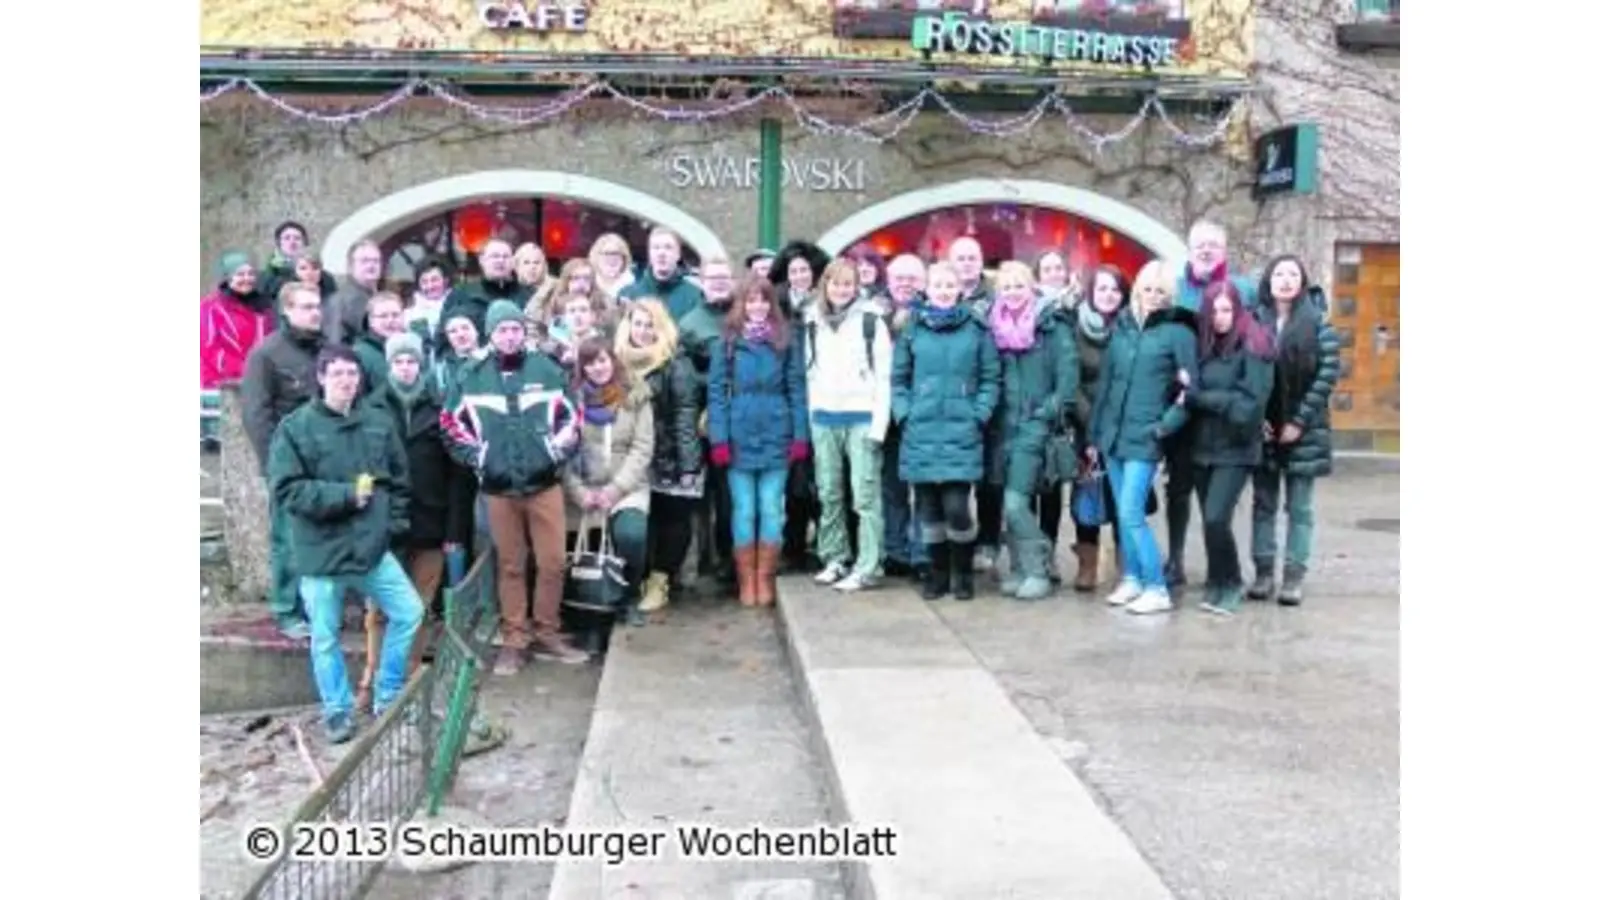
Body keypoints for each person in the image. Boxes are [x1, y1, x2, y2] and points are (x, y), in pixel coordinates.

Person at [267, 344, 422, 743]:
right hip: (321, 550)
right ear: (321, 378)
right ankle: (337, 709)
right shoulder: (295, 428)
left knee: (409, 611)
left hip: (370, 546)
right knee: (325, 635)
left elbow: (400, 480)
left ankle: (387, 696)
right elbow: (288, 491)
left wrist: (393, 524)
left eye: (352, 373)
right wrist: (345, 496)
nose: (346, 381)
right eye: (336, 373)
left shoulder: (377, 421)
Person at [441, 299, 589, 673]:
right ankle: (514, 637)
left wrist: (555, 452)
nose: (510, 336)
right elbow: (450, 424)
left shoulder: (547, 369)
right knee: (510, 565)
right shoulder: (471, 375)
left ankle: (548, 631)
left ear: (524, 332)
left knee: (553, 562)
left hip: (544, 483)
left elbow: (573, 418)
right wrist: (480, 458)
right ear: (491, 334)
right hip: (497, 488)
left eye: (515, 329)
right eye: (503, 330)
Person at [1089, 260, 1198, 615]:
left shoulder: (1178, 332)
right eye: (1147, 289)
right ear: (1137, 290)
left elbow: (1190, 389)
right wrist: (1095, 436)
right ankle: (1132, 579)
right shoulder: (1122, 328)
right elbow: (1106, 384)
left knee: (1131, 511)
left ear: (1170, 297)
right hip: (1113, 436)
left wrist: (1164, 426)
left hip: (1146, 436)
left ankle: (1156, 586)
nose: (1152, 297)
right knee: (1122, 514)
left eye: (1160, 292)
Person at [891, 261, 1001, 601]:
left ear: (958, 290)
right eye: (937, 285)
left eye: (948, 286)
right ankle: (938, 574)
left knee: (956, 507)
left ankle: (962, 572)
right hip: (921, 430)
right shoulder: (913, 328)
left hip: (961, 431)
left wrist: (978, 413)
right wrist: (904, 413)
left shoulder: (977, 329)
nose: (943, 291)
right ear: (928, 289)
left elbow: (990, 378)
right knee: (929, 510)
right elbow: (898, 379)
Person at [357, 333, 452, 708]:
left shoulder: (439, 406)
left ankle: (409, 679)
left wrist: (454, 527)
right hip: (385, 523)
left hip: (431, 520)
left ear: (422, 364)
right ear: (389, 365)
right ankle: (375, 675)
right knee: (380, 607)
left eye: (412, 361)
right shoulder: (371, 408)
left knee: (419, 606)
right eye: (399, 361)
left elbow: (454, 472)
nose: (406, 367)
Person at [1164, 220, 1260, 587]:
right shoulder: (1175, 290)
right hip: (1184, 401)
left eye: (1214, 246)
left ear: (1225, 251)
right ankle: (1174, 560)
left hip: (1220, 411)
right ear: (1189, 249)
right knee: (1178, 488)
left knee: (1214, 501)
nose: (1206, 251)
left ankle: (1217, 568)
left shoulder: (1243, 290)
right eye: (1199, 245)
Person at [707, 277, 809, 607]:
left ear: (771, 304)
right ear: (741, 304)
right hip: (739, 435)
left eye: (763, 300)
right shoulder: (727, 341)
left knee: (769, 509)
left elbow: (796, 389)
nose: (757, 307)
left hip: (776, 433)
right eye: (751, 300)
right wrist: (719, 438)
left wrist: (799, 436)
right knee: (744, 510)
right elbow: (716, 393)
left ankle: (765, 577)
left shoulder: (785, 339)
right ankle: (746, 577)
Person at [1249, 255, 1339, 606]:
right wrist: (1258, 418)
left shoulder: (1318, 323)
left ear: (1302, 282)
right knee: (1263, 505)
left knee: (1299, 508)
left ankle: (1293, 577)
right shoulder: (1255, 321)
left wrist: (1298, 422)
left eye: (1292, 274)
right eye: (1279, 274)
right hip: (1265, 430)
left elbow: (1328, 374)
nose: (1285, 280)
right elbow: (1246, 371)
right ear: (1269, 281)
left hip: (1306, 429)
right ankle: (1263, 573)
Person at [986, 262, 1078, 601]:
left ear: (1032, 288)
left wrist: (1045, 415)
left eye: (1018, 286)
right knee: (1008, 502)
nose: (1012, 292)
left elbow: (1067, 380)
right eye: (1006, 287)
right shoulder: (992, 328)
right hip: (1002, 430)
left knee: (1014, 503)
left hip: (1033, 427)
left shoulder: (1052, 327)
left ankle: (1039, 567)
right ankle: (1020, 569)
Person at [241, 282, 327, 639]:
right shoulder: (266, 355)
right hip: (288, 464)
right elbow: (257, 416)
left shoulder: (324, 350)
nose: (315, 312)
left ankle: (315, 608)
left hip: (323, 461)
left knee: (319, 538)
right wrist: (276, 465)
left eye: (317, 305)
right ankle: (287, 610)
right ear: (287, 311)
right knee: (287, 540)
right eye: (306, 306)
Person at [1185, 281, 1276, 616]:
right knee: (1208, 522)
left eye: (1226, 309)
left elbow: (1248, 408)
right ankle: (1215, 580)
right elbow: (1189, 390)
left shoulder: (1254, 344)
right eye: (1214, 310)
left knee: (1215, 518)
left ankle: (1233, 581)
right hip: (1201, 447)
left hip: (1236, 448)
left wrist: (1202, 400)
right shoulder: (1204, 345)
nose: (1220, 317)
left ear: (1237, 309)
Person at [802, 259, 893, 593]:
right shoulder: (812, 321)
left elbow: (884, 378)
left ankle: (869, 565)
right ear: (825, 285)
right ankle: (835, 557)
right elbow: (810, 373)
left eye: (848, 284)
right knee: (828, 493)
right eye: (836, 283)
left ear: (857, 287)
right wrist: (813, 417)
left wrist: (878, 427)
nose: (842, 290)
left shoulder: (872, 322)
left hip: (862, 418)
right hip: (825, 418)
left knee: (865, 496)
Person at [563, 338, 656, 637]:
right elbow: (562, 451)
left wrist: (615, 490)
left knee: (631, 535)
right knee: (566, 544)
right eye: (589, 362)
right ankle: (578, 603)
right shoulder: (570, 400)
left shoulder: (635, 395)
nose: (597, 368)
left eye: (602, 360)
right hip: (582, 488)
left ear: (612, 361)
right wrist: (579, 492)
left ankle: (628, 597)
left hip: (626, 487)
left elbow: (642, 447)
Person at [615, 300, 703, 615]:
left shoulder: (675, 362)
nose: (642, 330)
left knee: (672, 520)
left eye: (649, 324)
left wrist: (688, 462)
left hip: (668, 453)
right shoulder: (617, 362)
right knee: (639, 524)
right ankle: (635, 579)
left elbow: (684, 414)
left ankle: (660, 580)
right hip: (630, 457)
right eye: (637, 323)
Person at [1068, 265, 1131, 591]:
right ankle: (1087, 565)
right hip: (1086, 424)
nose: (1109, 295)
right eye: (1102, 288)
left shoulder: (1132, 328)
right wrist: (1091, 425)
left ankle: (1125, 566)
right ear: (1092, 293)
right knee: (1087, 495)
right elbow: (1071, 381)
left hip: (1123, 426)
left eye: (1115, 289)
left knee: (1125, 498)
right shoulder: (1075, 329)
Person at [677, 255, 738, 588]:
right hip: (699, 420)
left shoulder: (743, 316)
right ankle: (701, 561)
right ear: (701, 280)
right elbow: (683, 375)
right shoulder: (689, 323)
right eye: (711, 277)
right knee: (699, 499)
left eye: (723, 277)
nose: (717, 282)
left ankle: (728, 562)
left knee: (729, 497)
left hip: (738, 421)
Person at [878, 254, 930, 580]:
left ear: (922, 282)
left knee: (924, 490)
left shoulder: (931, 313)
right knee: (891, 488)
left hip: (924, 415)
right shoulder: (875, 314)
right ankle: (895, 551)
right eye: (899, 278)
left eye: (912, 278)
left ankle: (923, 553)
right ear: (889, 279)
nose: (905, 284)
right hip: (886, 415)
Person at [432, 310, 485, 585]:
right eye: (453, 331)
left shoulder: (491, 360)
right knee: (457, 522)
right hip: (457, 458)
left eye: (465, 327)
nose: (460, 335)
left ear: (477, 330)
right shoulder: (441, 370)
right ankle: (456, 590)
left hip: (490, 455)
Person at [201, 250, 272, 390]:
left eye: (251, 274)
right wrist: (246, 369)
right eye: (240, 274)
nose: (247, 278)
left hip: (256, 383)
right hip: (219, 384)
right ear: (228, 277)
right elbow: (208, 349)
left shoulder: (262, 308)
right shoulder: (210, 308)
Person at [436, 239, 532, 343]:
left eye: (506, 257)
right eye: (495, 256)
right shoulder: (462, 294)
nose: (500, 260)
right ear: (482, 260)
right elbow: (442, 336)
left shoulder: (527, 294)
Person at [619, 227, 705, 322]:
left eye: (668, 248)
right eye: (656, 247)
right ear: (649, 253)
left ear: (678, 254)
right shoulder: (628, 294)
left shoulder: (694, 296)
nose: (661, 253)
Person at [259, 221, 338, 313]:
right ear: (279, 243)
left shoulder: (325, 278)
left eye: (297, 238)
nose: (292, 242)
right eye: (287, 238)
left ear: (305, 242)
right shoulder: (269, 275)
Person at [327, 239, 385, 346]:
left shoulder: (375, 297)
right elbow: (336, 342)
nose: (371, 266)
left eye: (376, 261)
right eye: (365, 261)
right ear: (350, 266)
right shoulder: (343, 302)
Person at [352, 292, 410, 396]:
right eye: (383, 316)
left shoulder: (413, 348)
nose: (390, 320)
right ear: (371, 321)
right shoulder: (360, 354)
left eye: (395, 315)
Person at [406, 256, 453, 357]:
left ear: (445, 280)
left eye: (434, 280)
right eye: (424, 281)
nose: (430, 286)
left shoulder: (457, 307)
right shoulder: (409, 314)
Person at [514, 242, 559, 321]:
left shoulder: (557, 287)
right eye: (526, 263)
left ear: (545, 266)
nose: (532, 267)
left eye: (536, 262)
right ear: (517, 267)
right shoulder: (512, 291)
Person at [589, 233, 636, 301]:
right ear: (596, 257)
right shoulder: (588, 282)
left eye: (616, 253)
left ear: (624, 259)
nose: (612, 258)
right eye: (606, 253)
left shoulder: (634, 285)